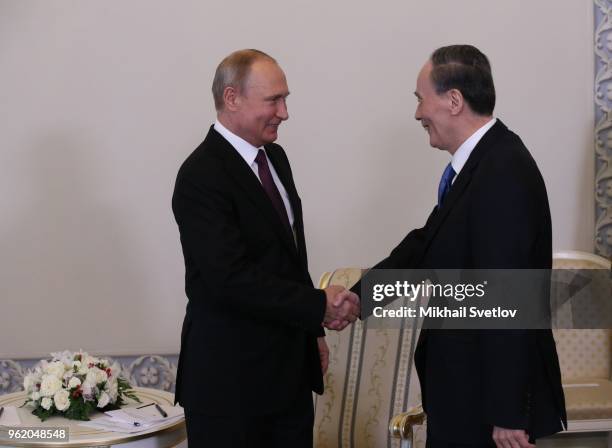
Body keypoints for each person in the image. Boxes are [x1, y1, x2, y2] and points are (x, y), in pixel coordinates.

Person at [359, 45, 567, 447]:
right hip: (462, 394)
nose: (418, 113)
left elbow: (508, 293)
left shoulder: (502, 169)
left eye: (421, 99)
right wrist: (359, 297)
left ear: (453, 100)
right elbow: (426, 246)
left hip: (485, 407)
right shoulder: (479, 165)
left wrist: (508, 412)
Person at [171, 49, 359, 448]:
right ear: (232, 98)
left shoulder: (275, 158)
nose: (284, 112)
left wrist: (312, 333)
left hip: (288, 379)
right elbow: (229, 278)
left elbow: (289, 258)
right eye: (274, 100)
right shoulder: (201, 175)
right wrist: (316, 306)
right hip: (230, 387)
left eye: (285, 99)